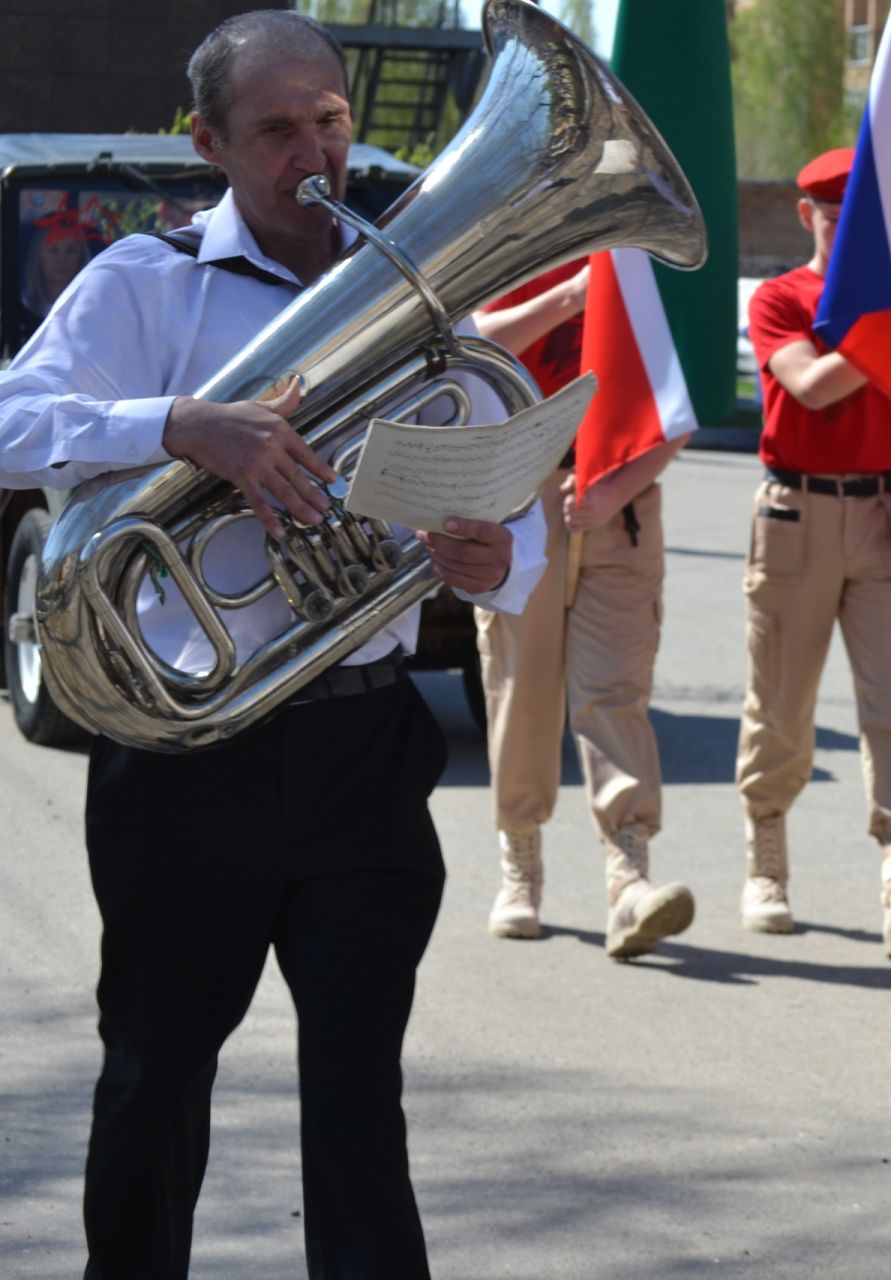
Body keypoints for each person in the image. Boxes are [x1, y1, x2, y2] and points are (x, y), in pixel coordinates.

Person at [0, 13, 548, 1276]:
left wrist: (492, 561)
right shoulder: (148, 282)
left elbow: (505, 503)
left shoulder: (420, 293)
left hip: (364, 741)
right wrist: (184, 424)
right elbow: (16, 417)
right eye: (279, 129)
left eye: (333, 120)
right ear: (209, 143)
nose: (317, 153)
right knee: (156, 1078)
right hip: (188, 753)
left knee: (361, 1098)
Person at [738, 146, 891, 960]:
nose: (842, 228)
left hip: (883, 513)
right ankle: (766, 863)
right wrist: (885, 328)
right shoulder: (784, 298)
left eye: (855, 216)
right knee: (781, 705)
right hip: (798, 512)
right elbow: (812, 385)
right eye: (830, 214)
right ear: (807, 217)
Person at [470, 261, 695, 957]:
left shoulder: (633, 269)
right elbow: (476, 344)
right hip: (519, 498)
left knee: (615, 693)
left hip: (616, 501)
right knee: (522, 690)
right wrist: (569, 295)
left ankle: (629, 877)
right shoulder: (509, 253)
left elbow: (672, 413)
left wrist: (615, 491)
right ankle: (521, 866)